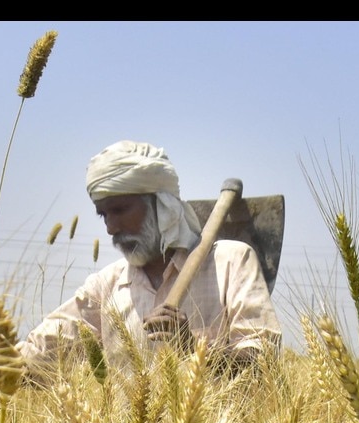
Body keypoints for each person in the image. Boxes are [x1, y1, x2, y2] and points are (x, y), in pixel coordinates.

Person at [16, 140, 282, 378]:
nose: (110, 227)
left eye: (120, 210)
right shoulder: (105, 286)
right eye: (103, 214)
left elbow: (263, 363)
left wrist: (193, 349)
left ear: (162, 205)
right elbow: (42, 351)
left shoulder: (230, 262)